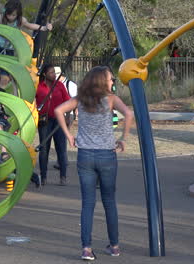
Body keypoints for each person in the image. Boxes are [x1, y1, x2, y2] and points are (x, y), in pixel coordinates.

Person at [54, 66, 134, 260]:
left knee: (87, 203)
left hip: (85, 155)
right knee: (109, 202)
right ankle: (114, 246)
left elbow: (58, 110)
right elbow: (129, 114)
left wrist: (68, 136)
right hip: (107, 155)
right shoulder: (112, 99)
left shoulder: (80, 100)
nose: (112, 81)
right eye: (110, 79)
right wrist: (123, 138)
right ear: (101, 81)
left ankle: (86, 249)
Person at [35, 64, 70, 186]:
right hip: (44, 121)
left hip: (59, 121)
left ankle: (63, 176)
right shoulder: (39, 86)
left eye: (54, 72)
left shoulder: (59, 85)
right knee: (44, 149)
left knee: (61, 148)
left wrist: (67, 116)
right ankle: (43, 176)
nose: (54, 75)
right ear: (44, 74)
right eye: (51, 72)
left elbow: (68, 100)